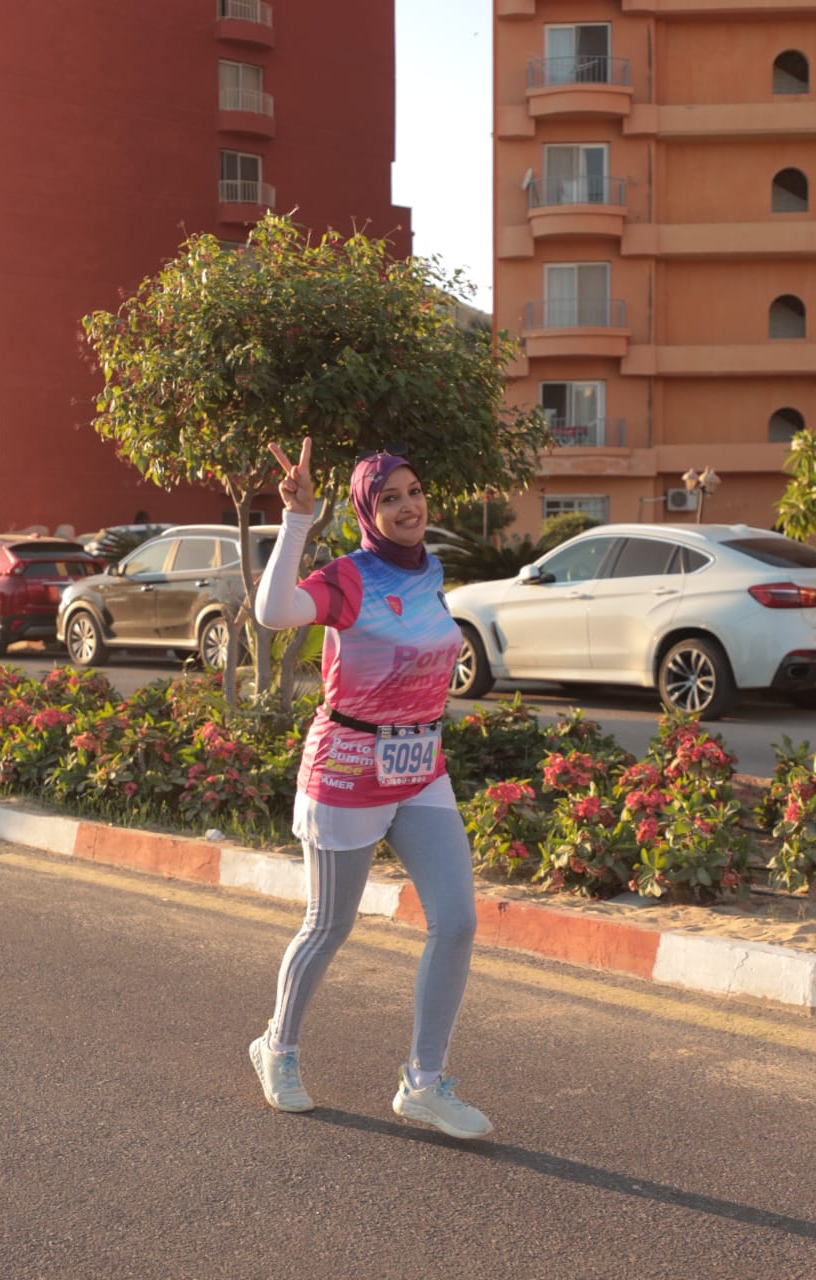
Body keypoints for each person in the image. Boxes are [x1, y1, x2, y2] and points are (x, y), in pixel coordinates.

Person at [249, 437, 492, 1140]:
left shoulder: (429, 570)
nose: (408, 506)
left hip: (420, 767)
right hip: (348, 768)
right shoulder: (348, 577)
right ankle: (277, 1047)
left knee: (457, 922)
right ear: (366, 510)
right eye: (389, 498)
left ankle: (424, 1082)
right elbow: (273, 613)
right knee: (329, 925)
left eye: (413, 492)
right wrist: (296, 519)